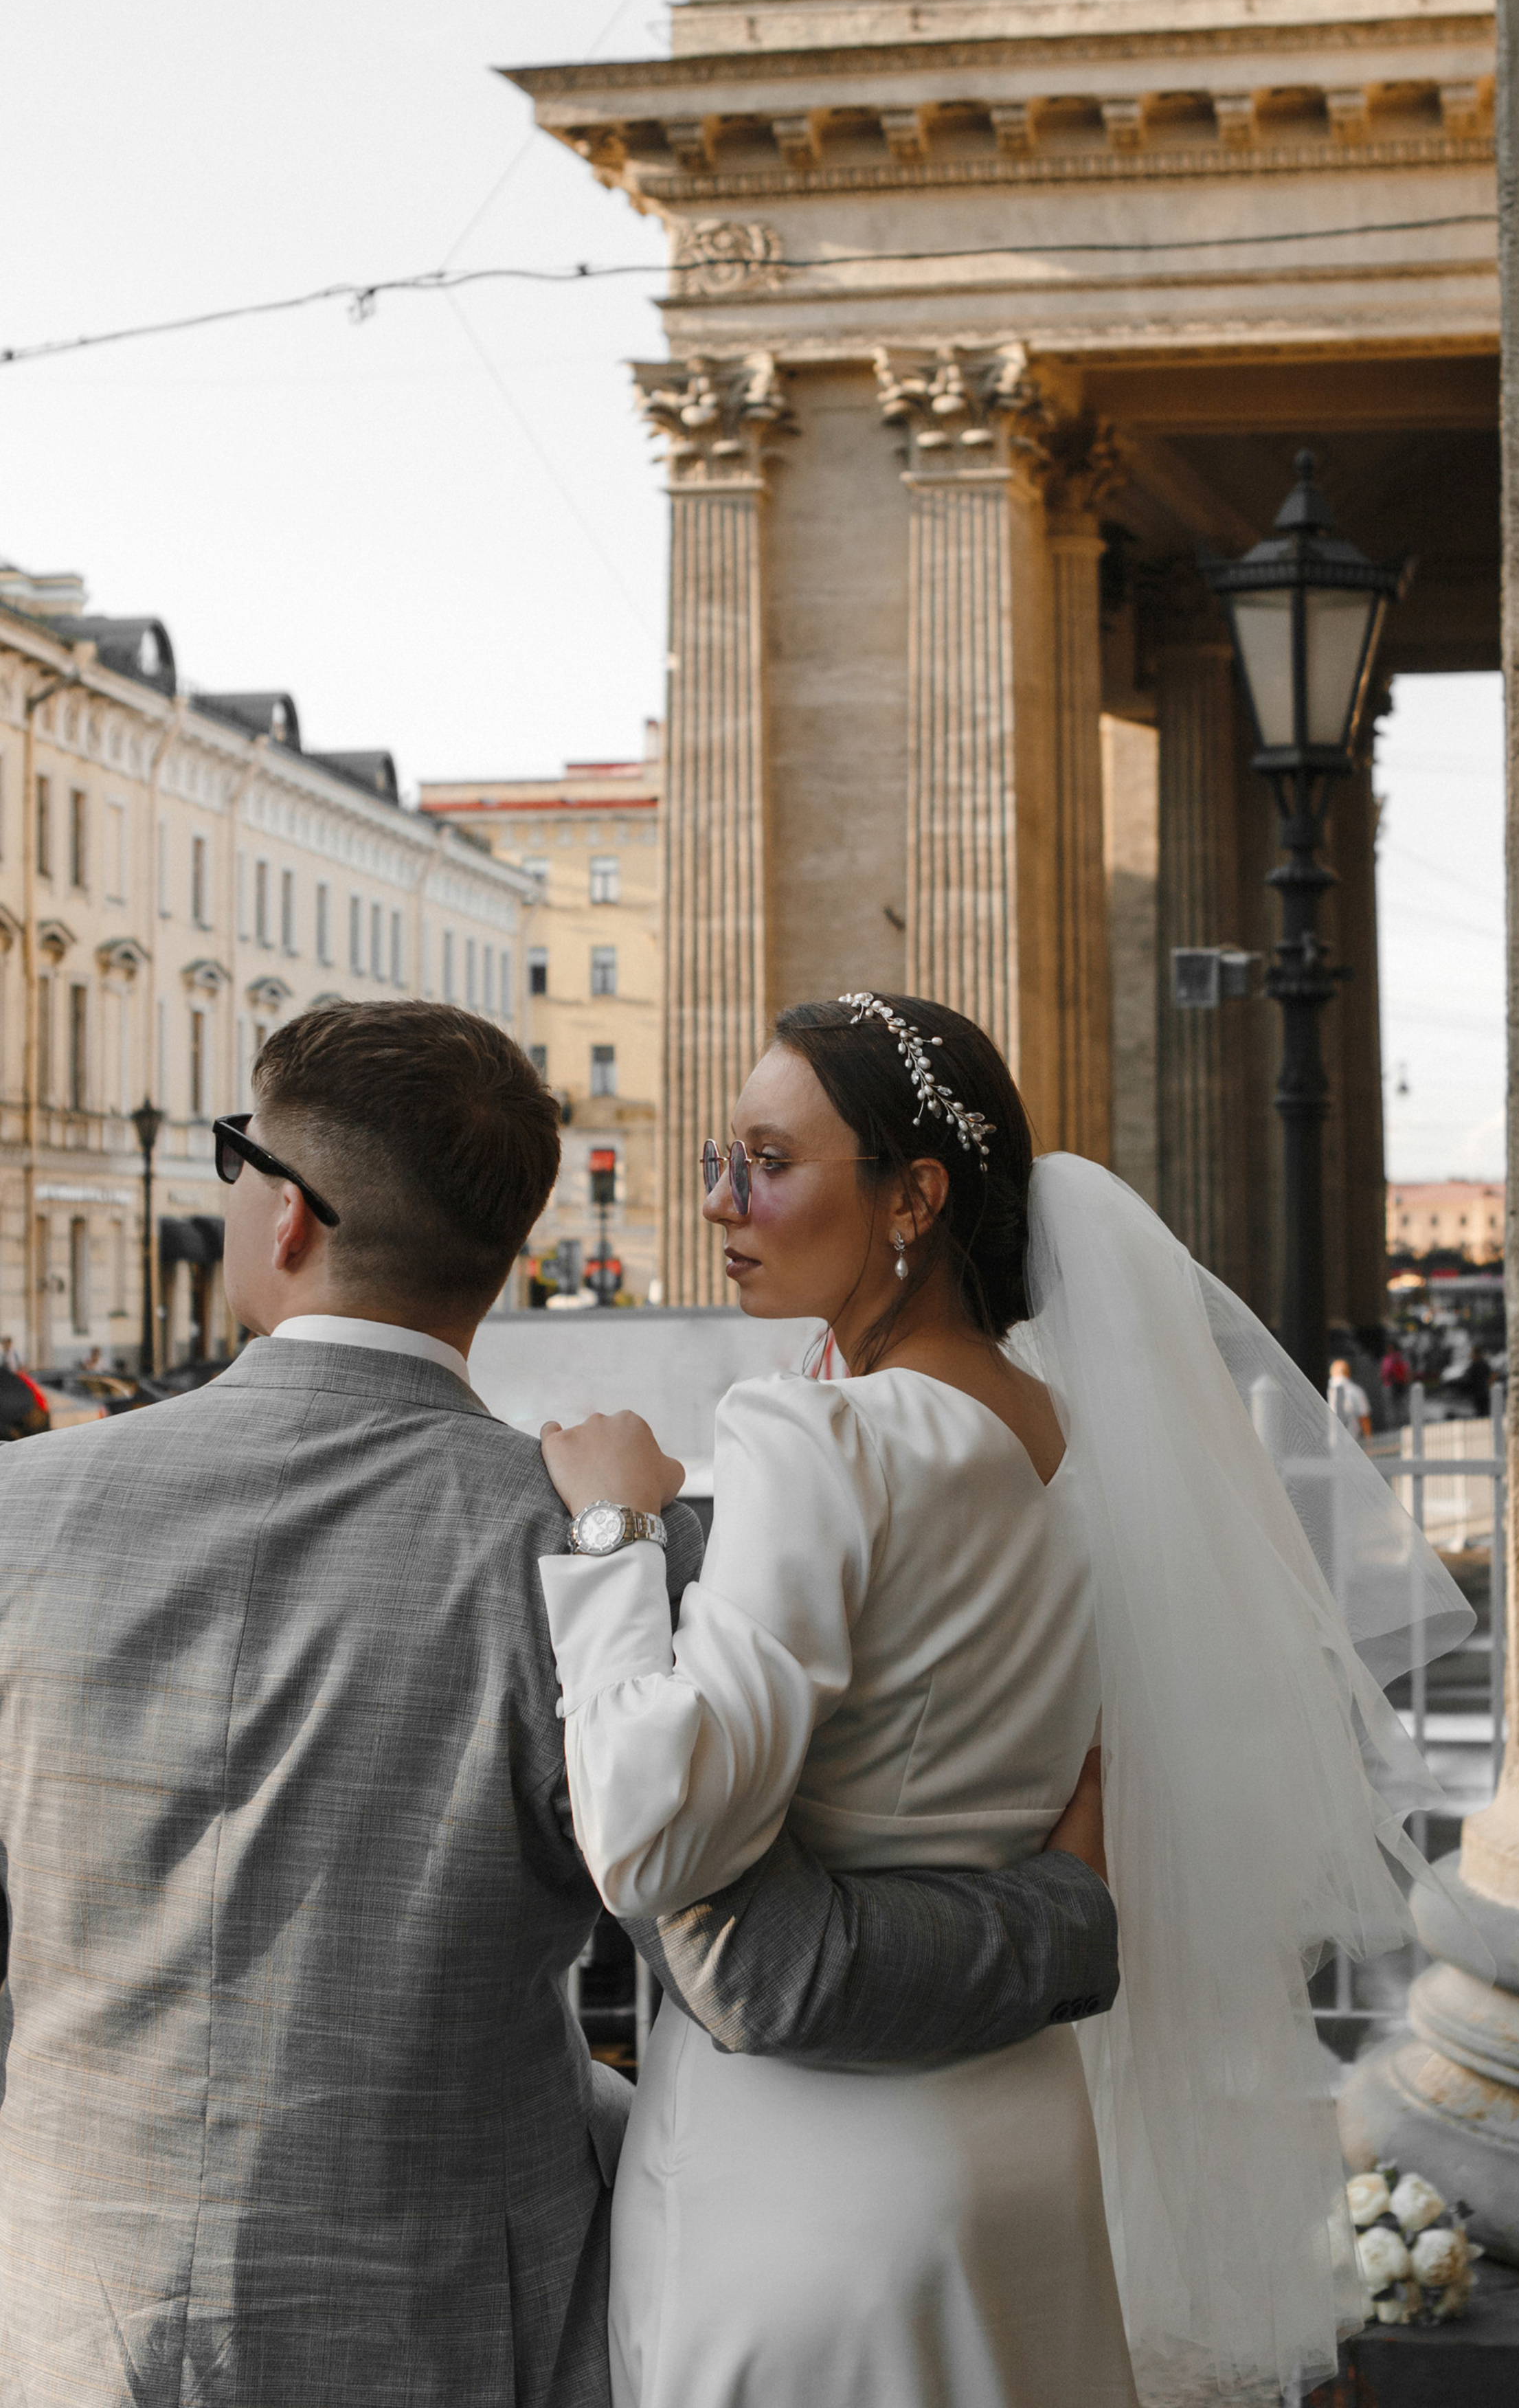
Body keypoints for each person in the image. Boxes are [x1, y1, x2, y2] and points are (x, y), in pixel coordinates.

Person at [0, 1001, 1119, 2408]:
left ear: (287, 1217)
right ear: (509, 1255)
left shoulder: (20, 1509)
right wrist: (1067, 1915)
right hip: (462, 2318)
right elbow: (761, 1969)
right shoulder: (587, 1541)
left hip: (64, 2304)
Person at [538, 993, 1474, 2407]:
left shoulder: (817, 1437)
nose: (725, 1201)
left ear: (914, 1199)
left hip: (808, 2166)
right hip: (1018, 2128)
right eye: (725, 1161)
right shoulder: (1070, 1445)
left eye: (769, 1163)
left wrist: (612, 1539)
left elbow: (647, 1831)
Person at [1328, 1351, 1374, 1441]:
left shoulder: (1331, 1391)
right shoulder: (1354, 1390)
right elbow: (1364, 1416)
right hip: (1353, 1438)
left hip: (1335, 1440)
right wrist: (1369, 1440)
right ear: (1348, 1372)